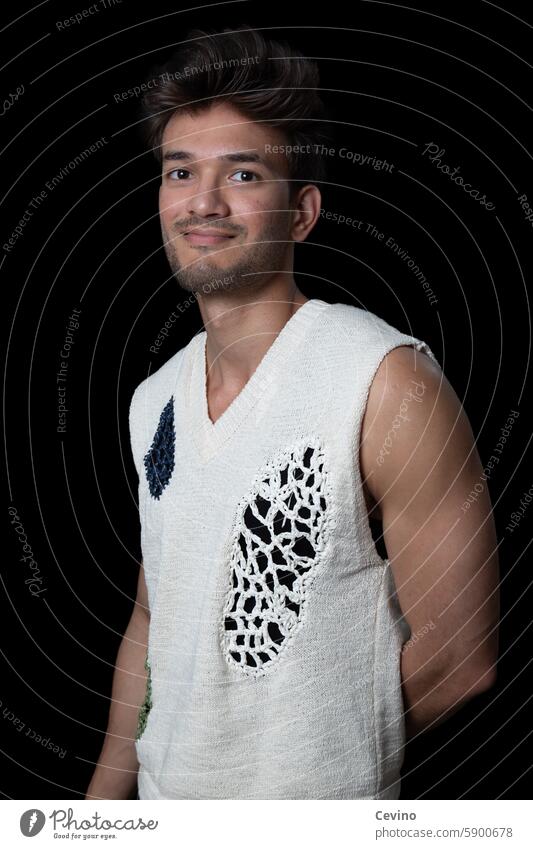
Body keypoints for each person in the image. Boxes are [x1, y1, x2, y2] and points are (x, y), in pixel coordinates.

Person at [86, 25, 499, 801]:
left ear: (301, 212)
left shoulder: (381, 381)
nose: (203, 201)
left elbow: (461, 657)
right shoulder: (154, 403)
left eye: (242, 173)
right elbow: (151, 624)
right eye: (181, 171)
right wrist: (97, 816)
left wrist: (295, 764)